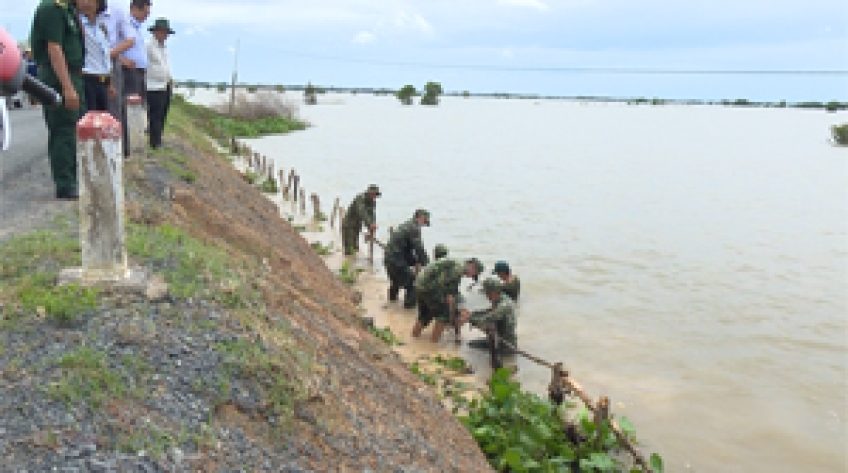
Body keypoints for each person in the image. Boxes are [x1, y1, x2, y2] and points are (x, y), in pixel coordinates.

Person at [30, 0, 85, 199]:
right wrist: (67, 87)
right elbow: (54, 49)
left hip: (74, 75)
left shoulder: (68, 9)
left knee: (75, 129)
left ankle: (74, 178)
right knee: (63, 130)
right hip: (59, 77)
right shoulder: (51, 8)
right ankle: (65, 184)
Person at [120, 0, 150, 156]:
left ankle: (134, 143)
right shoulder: (125, 24)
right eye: (145, 12)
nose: (147, 16)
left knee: (138, 108)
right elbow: (111, 46)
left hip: (139, 72)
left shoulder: (137, 28)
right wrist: (122, 60)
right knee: (127, 109)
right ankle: (127, 147)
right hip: (128, 72)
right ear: (134, 9)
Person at [384, 209, 430, 308]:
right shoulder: (414, 228)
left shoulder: (406, 225)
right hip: (396, 260)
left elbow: (407, 250)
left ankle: (391, 302)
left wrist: (415, 262)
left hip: (388, 258)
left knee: (396, 280)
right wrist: (427, 264)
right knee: (412, 283)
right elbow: (419, 249)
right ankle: (408, 309)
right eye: (424, 221)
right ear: (420, 217)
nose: (423, 225)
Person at [412, 256, 465, 342]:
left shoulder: (455, 263)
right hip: (430, 288)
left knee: (424, 315)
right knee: (443, 315)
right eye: (473, 274)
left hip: (419, 285)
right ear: (472, 266)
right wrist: (449, 317)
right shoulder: (459, 269)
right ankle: (433, 344)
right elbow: (449, 293)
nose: (470, 276)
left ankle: (414, 337)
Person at [99, 0, 136, 119]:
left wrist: (107, 55)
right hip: (87, 66)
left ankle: (114, 137)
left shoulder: (117, 10)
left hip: (110, 63)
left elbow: (130, 40)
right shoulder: (81, 8)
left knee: (112, 109)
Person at [464, 277, 518, 356]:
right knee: (471, 344)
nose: (486, 296)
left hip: (505, 345)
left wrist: (469, 318)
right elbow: (488, 312)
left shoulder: (504, 306)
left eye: (487, 293)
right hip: (499, 339)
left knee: (473, 350)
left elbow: (486, 319)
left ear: (493, 292)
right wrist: (472, 314)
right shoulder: (501, 298)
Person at [79, 0, 113, 111]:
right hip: (87, 78)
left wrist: (109, 82)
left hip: (102, 79)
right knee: (89, 119)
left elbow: (105, 56)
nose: (86, 3)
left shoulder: (102, 28)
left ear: (98, 4)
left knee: (102, 120)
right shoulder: (78, 24)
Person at [145, 17, 173, 148]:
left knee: (162, 113)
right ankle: (155, 142)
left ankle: (158, 137)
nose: (164, 35)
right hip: (153, 86)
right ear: (155, 32)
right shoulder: (148, 46)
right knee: (155, 114)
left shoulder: (163, 47)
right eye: (161, 32)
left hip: (164, 85)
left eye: (165, 32)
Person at [342, 184, 381, 256]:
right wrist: (370, 224)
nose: (374, 197)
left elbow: (372, 214)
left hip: (357, 225)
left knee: (355, 247)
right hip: (349, 225)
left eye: (375, 195)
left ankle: (352, 263)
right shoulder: (360, 198)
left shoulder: (372, 202)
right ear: (369, 193)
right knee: (349, 248)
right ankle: (348, 264)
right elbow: (362, 212)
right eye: (373, 194)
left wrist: (371, 227)